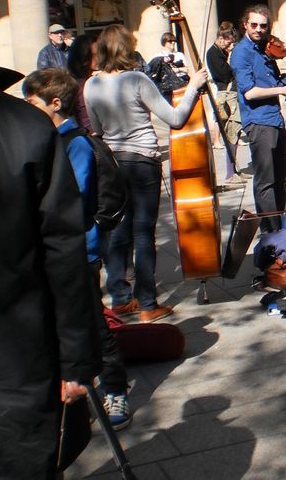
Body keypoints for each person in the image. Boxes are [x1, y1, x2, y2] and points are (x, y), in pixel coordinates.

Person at [0, 63, 101, 480]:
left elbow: (63, 250)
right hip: (19, 356)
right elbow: (65, 254)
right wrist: (76, 360)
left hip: (18, 351)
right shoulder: (31, 127)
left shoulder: (32, 129)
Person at [23, 68, 132, 430]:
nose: (27, 108)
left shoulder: (75, 143)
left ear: (56, 103)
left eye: (32, 102)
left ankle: (116, 390)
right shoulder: (49, 141)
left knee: (94, 324)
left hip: (78, 252)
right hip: (57, 250)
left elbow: (74, 198)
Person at [85, 24, 208, 322]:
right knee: (143, 233)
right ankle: (148, 304)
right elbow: (176, 119)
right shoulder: (136, 79)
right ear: (126, 48)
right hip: (142, 161)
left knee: (118, 232)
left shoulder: (91, 85)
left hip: (113, 164)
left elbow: (97, 131)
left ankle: (120, 299)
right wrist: (192, 86)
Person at [230, 4, 286, 233]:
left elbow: (276, 83)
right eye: (254, 25)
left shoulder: (265, 50)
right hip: (259, 122)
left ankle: (279, 229)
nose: (259, 29)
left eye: (263, 25)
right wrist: (280, 91)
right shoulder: (241, 52)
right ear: (245, 25)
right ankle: (271, 232)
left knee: (281, 176)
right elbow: (249, 92)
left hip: (275, 120)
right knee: (266, 181)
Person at [206, 22, 244, 186]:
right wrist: (230, 58)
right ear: (221, 38)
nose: (229, 45)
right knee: (231, 132)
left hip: (230, 93)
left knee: (234, 133)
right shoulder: (213, 53)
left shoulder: (219, 52)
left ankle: (233, 170)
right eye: (228, 42)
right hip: (225, 95)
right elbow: (224, 73)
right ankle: (229, 173)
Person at [66, 31, 98, 134]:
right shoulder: (79, 85)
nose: (99, 58)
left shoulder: (91, 80)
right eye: (94, 55)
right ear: (84, 57)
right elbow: (86, 120)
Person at [147, 32, 191, 101]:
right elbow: (151, 71)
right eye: (170, 41)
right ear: (164, 42)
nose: (173, 43)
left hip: (181, 83)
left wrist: (178, 69)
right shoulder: (157, 56)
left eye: (174, 41)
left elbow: (188, 69)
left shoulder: (179, 55)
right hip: (166, 86)